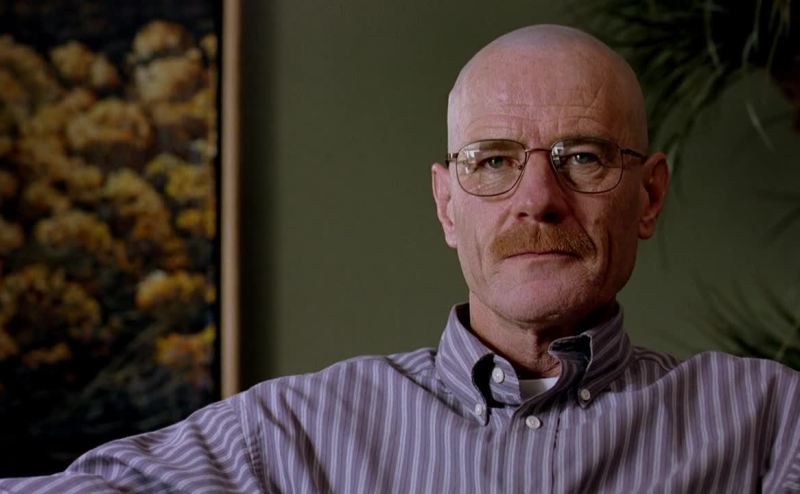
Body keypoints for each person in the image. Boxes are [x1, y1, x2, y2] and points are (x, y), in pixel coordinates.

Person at [2, 24, 800, 493]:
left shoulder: (768, 422)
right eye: (493, 161)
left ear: (649, 195)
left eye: (582, 157)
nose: (537, 199)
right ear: (448, 204)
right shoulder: (292, 436)